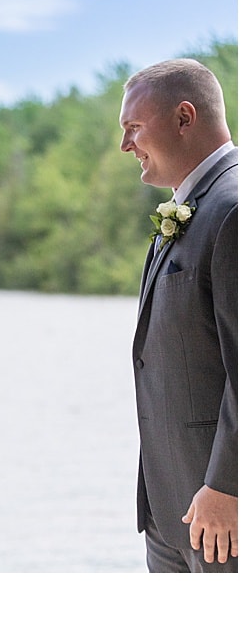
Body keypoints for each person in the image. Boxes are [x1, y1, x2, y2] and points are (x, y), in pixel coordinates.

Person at [119, 58, 237, 572]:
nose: (126, 146)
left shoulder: (234, 210)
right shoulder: (191, 208)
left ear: (184, 118)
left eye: (134, 127)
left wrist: (228, 486)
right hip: (171, 515)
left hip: (223, 518)